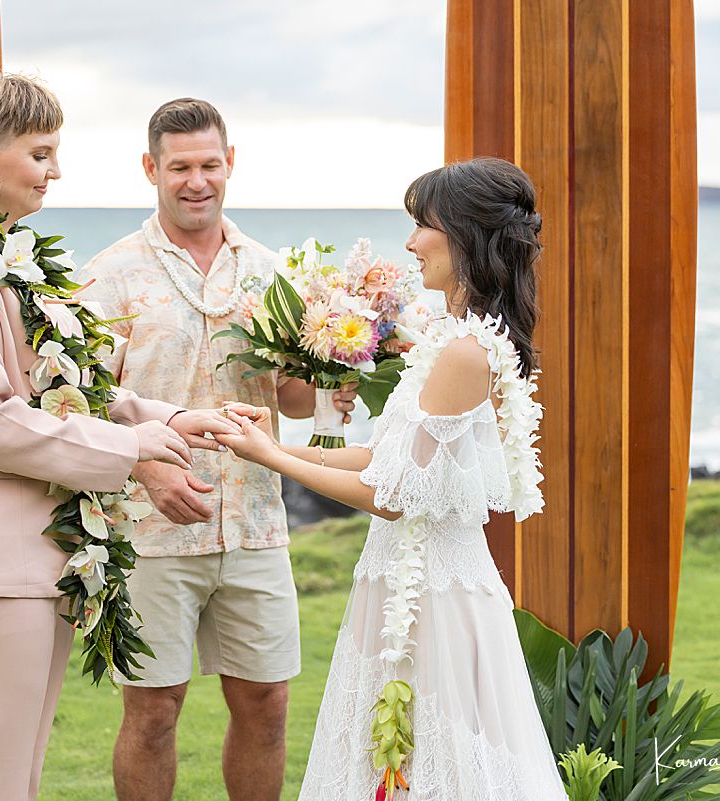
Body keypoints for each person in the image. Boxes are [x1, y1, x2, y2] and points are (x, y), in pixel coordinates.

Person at [0, 72, 244, 801]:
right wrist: (130, 452)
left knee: (11, 779)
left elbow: (62, 388)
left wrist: (166, 419)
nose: (56, 171)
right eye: (41, 153)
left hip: (22, 564)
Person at [216, 158, 569, 799]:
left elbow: (389, 497)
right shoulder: (449, 340)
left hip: (435, 594)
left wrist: (269, 460)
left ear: (463, 234)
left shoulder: (464, 353)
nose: (410, 244)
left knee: (443, 763)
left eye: (421, 225)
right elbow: (382, 462)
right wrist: (273, 442)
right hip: (403, 581)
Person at [76, 98, 357, 801]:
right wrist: (139, 461)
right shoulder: (107, 276)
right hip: (151, 528)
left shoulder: (271, 271)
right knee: (152, 711)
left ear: (230, 163)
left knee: (267, 705)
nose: (195, 180)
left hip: (258, 524)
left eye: (208, 164)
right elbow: (76, 400)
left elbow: (290, 395)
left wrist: (333, 384)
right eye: (179, 167)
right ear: (151, 169)